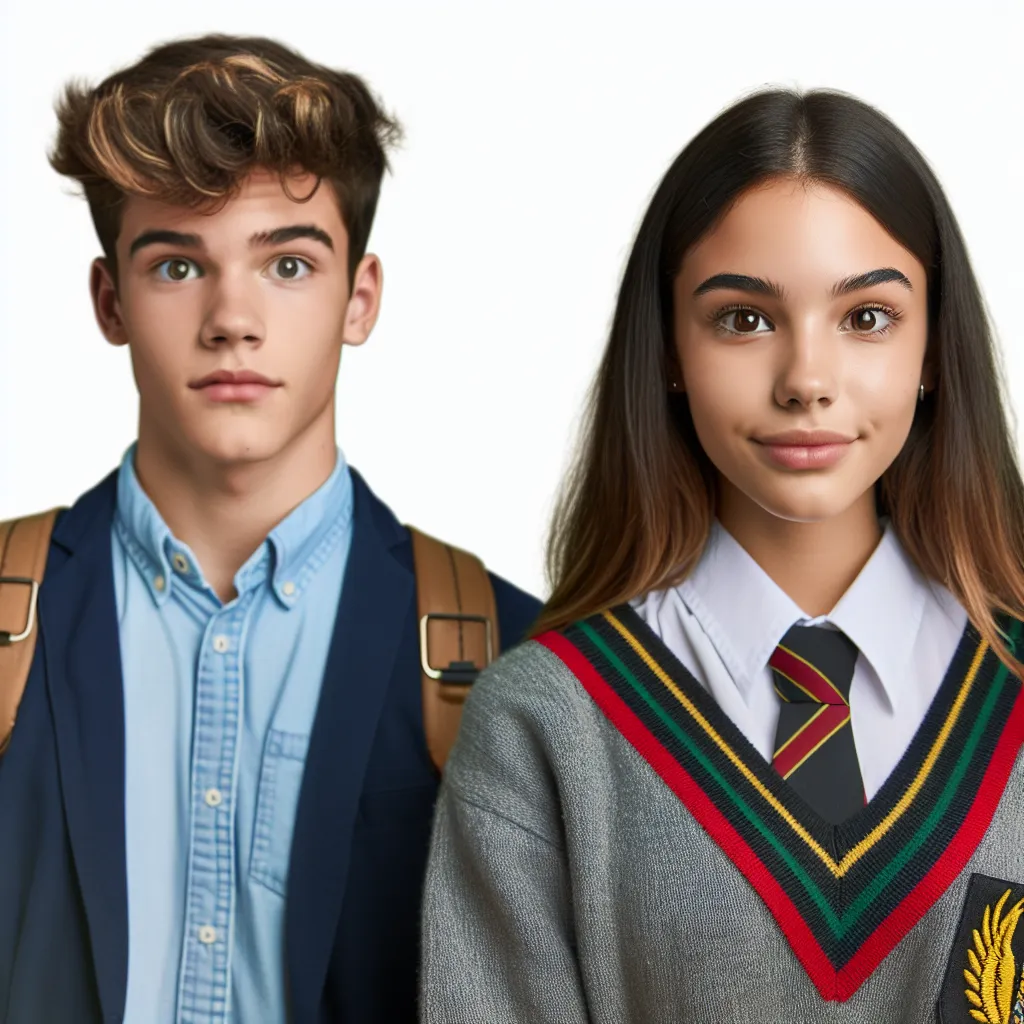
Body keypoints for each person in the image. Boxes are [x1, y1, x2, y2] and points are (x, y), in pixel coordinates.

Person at [419, 87, 1024, 1023]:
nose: (806, 382)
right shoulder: (544, 725)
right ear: (668, 348)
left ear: (934, 347)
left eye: (866, 318)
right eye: (745, 319)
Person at [0, 34, 540, 1024]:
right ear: (109, 299)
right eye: (176, 267)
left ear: (359, 297)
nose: (232, 319)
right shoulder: (7, 628)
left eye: (287, 263)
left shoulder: (519, 656)